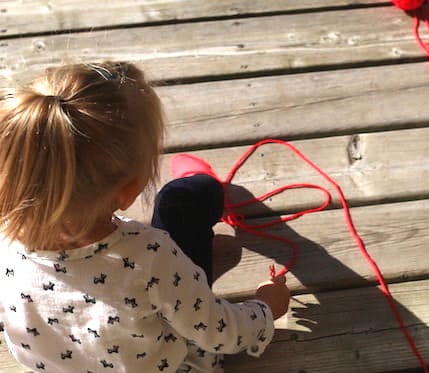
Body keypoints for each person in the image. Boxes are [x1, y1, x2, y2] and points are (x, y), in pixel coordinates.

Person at [0, 62, 290, 372]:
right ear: (128, 192)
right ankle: (201, 205)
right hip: (175, 351)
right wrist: (266, 306)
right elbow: (220, 333)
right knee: (180, 200)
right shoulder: (150, 256)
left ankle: (197, 259)